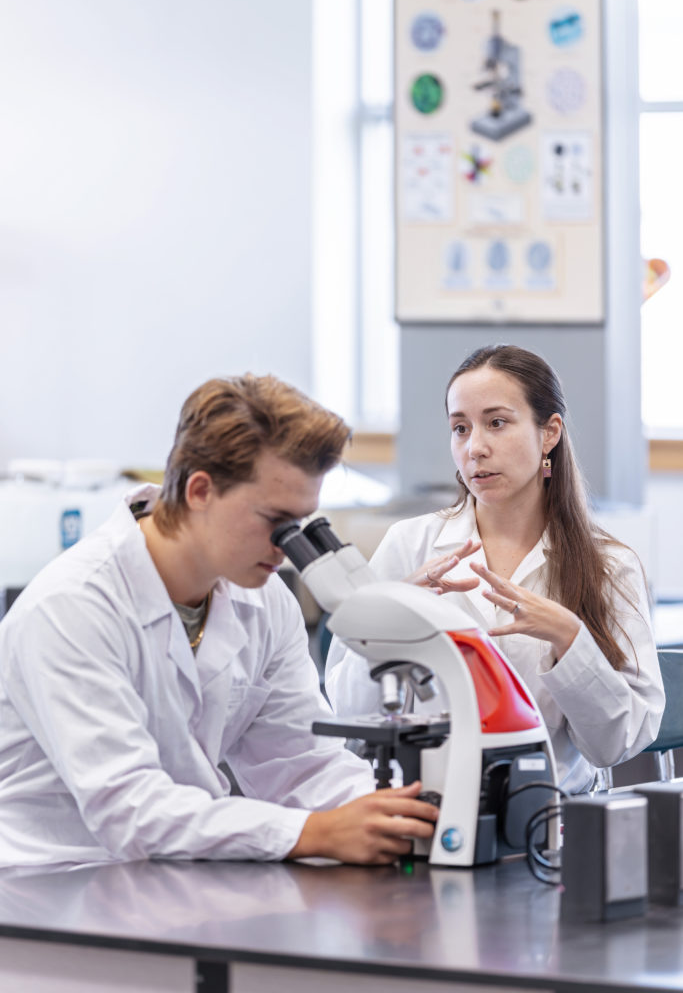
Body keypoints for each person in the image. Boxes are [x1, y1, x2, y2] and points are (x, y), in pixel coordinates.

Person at [0, 375, 438, 867]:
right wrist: (314, 832)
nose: (287, 548)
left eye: (302, 524)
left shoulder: (266, 600)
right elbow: (131, 809)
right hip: (52, 886)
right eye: (276, 522)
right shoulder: (72, 607)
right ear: (200, 490)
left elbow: (298, 765)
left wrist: (416, 808)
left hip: (176, 874)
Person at [326, 345, 665, 794]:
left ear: (549, 433)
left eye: (497, 423)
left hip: (548, 816)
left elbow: (616, 744)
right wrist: (389, 626)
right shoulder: (409, 545)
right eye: (460, 428)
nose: (475, 448)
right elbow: (348, 717)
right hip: (422, 806)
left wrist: (570, 639)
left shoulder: (609, 566)